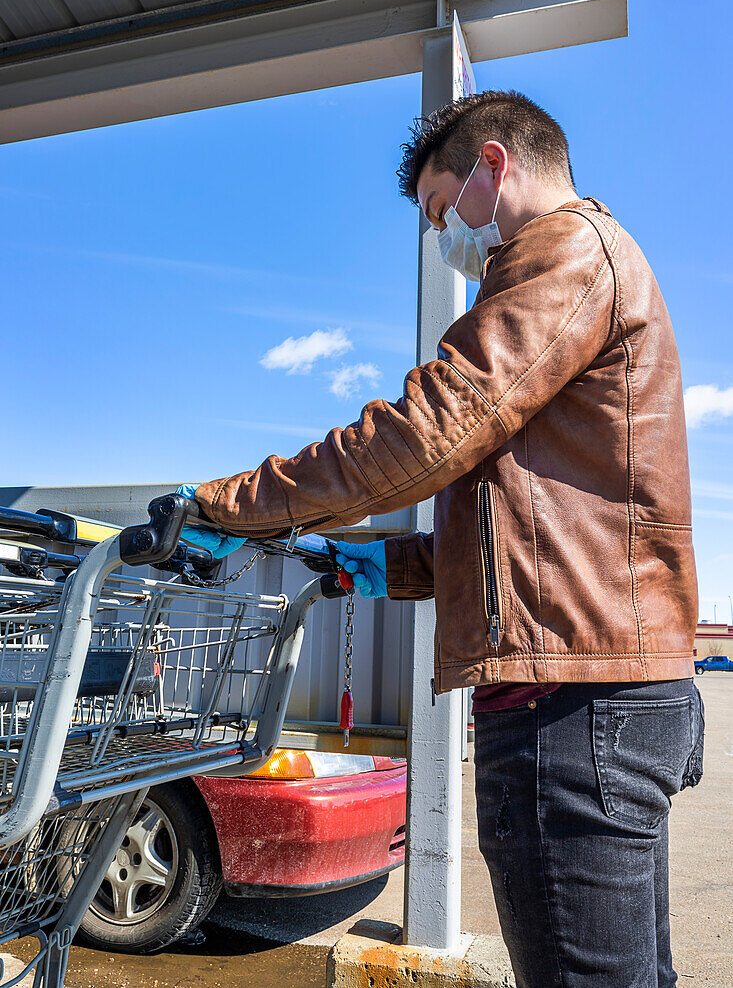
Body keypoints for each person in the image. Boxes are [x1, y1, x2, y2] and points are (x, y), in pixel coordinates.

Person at [179, 90, 703, 988]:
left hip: (566, 707)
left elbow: (434, 427)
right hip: (597, 686)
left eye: (438, 210)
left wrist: (226, 503)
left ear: (492, 167)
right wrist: (378, 565)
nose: (442, 237)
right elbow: (532, 528)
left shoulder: (562, 252)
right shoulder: (586, 268)